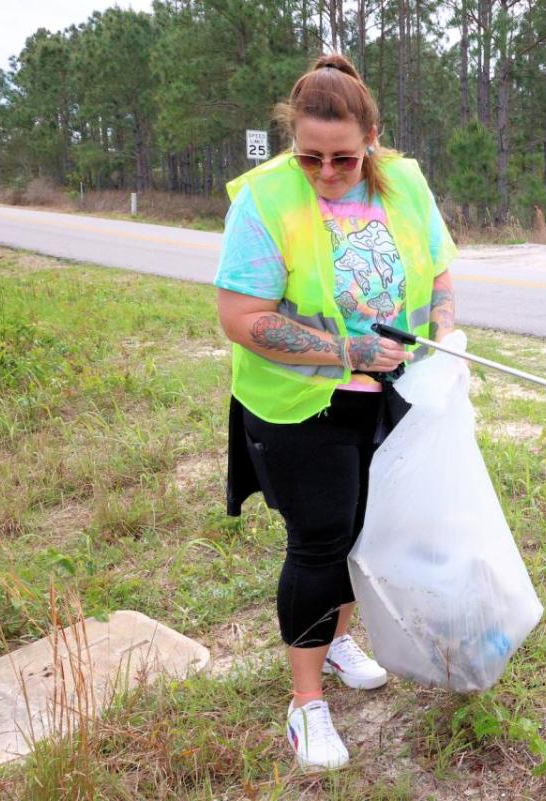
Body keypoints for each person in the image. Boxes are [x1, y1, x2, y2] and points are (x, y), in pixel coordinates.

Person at [214, 53, 457, 770]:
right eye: (310, 157)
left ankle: (339, 637)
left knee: (360, 531)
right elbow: (242, 315)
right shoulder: (264, 200)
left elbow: (440, 268)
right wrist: (346, 350)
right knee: (320, 538)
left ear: (373, 137)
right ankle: (306, 704)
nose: (326, 173)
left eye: (343, 158)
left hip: (387, 395)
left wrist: (443, 326)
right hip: (296, 404)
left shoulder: (406, 184)